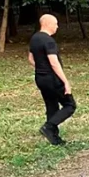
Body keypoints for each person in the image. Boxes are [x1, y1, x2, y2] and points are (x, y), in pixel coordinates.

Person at [28, 14, 76, 145]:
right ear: (48, 24)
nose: (57, 27)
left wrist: (42, 68)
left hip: (40, 78)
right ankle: (48, 127)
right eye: (56, 24)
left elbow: (31, 59)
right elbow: (54, 62)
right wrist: (66, 82)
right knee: (70, 105)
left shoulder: (35, 38)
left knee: (52, 106)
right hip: (52, 78)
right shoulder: (49, 41)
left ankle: (54, 138)